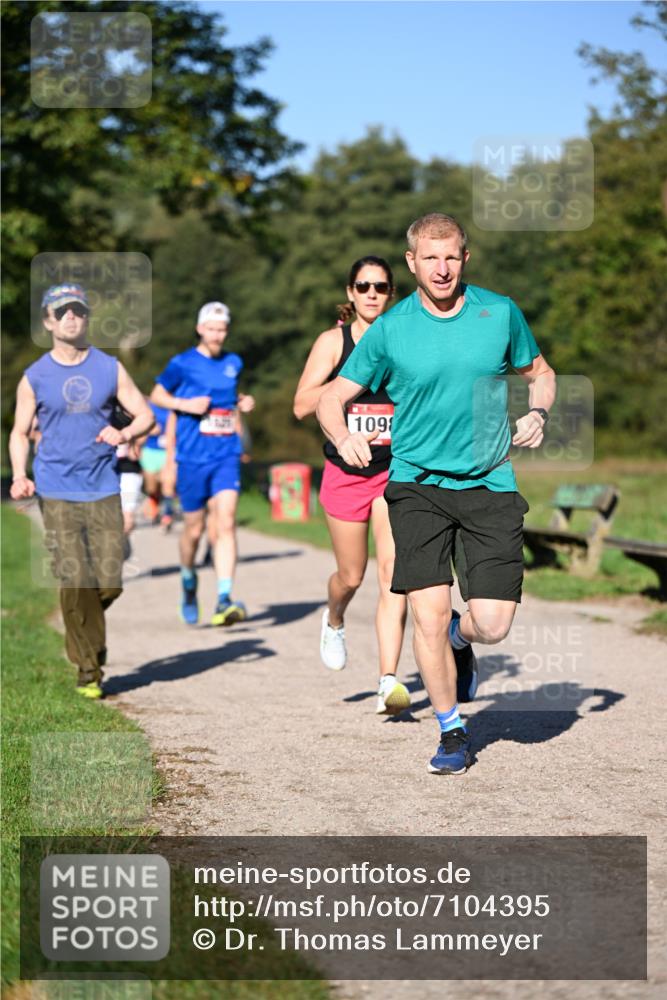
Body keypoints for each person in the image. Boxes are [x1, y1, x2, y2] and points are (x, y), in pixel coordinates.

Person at [316, 214, 556, 773]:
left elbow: (541, 372)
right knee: (423, 612)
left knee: (492, 625)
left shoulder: (500, 312)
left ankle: (459, 633)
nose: (441, 268)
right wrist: (343, 434)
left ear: (464, 259)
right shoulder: (390, 329)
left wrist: (539, 409)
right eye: (430, 258)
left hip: (490, 480)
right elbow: (331, 398)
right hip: (416, 484)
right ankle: (451, 730)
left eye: (451, 257)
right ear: (412, 263)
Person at [9, 283, 154, 698]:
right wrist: (20, 472)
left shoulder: (109, 368)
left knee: (108, 583)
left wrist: (122, 430)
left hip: (103, 486)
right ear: (48, 321)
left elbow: (145, 415)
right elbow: (19, 432)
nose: (71, 317)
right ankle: (88, 669)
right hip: (55, 488)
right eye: (62, 311)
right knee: (76, 576)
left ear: (87, 318)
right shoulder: (35, 376)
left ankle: (86, 631)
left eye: (78, 310)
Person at [294, 256, 410, 715]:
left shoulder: (403, 338)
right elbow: (301, 404)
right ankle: (335, 618)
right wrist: (346, 389)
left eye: (381, 287)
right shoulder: (333, 341)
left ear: (390, 293)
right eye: (363, 286)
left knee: (391, 576)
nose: (372, 294)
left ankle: (388, 681)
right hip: (345, 473)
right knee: (351, 576)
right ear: (350, 293)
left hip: (391, 471)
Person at [151, 301, 255, 626]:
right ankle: (188, 580)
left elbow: (227, 398)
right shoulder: (181, 364)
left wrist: (242, 401)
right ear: (199, 328)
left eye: (222, 329)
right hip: (192, 457)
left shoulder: (233, 362)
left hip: (225, 453)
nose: (217, 335)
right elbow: (156, 395)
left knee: (225, 522)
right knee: (193, 531)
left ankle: (224, 597)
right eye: (211, 328)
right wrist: (184, 403)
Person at [140, 400, 176, 531]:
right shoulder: (149, 407)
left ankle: (167, 515)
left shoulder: (176, 406)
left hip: (169, 452)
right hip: (150, 451)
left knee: (168, 483)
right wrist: (149, 429)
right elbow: (138, 426)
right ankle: (153, 502)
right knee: (152, 487)